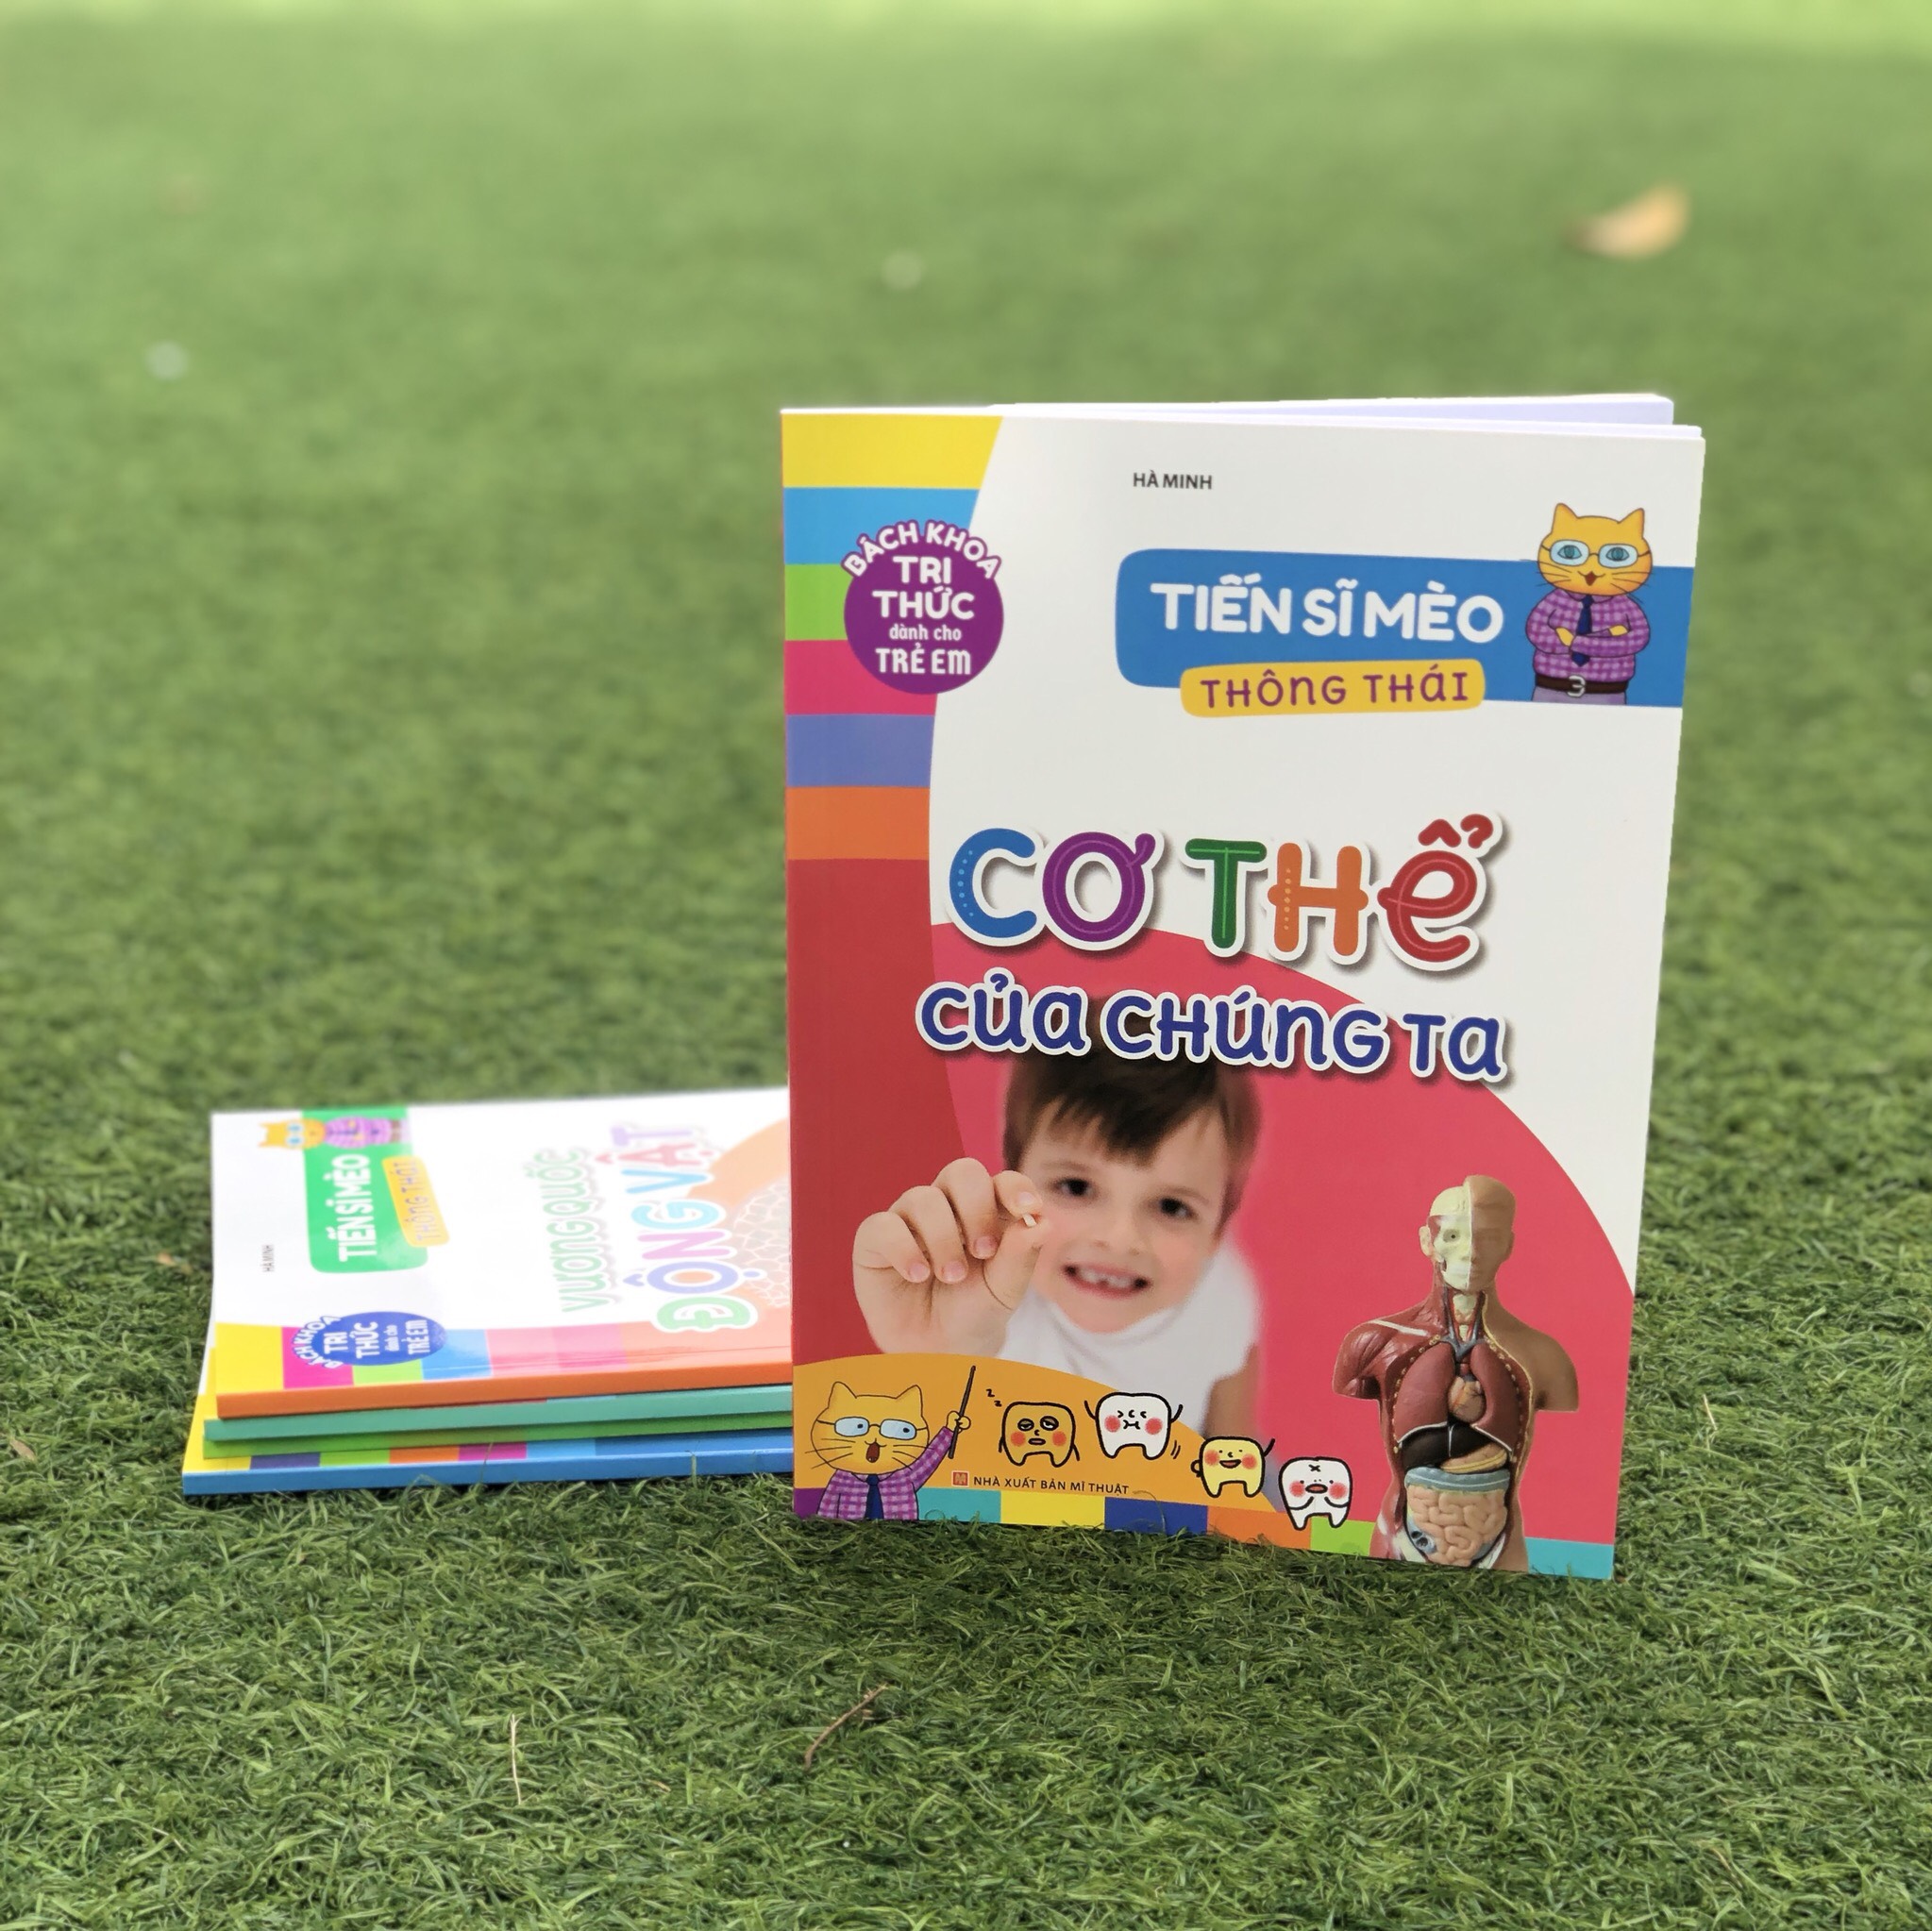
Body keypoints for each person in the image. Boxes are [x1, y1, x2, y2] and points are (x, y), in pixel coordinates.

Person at [850, 1044, 1261, 1436]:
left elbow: (1234, 1411)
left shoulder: (1219, 1289)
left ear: (1216, 1234)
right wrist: (936, 1357)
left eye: (1172, 1207)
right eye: (1076, 1187)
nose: (1119, 1240)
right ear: (1014, 1180)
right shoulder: (981, 1303)